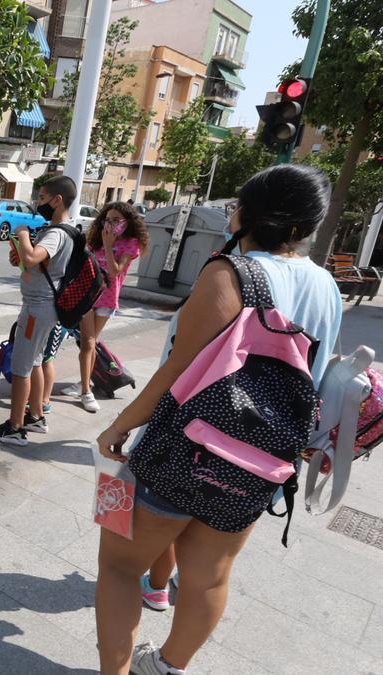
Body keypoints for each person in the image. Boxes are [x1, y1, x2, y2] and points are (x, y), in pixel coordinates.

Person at [93, 164, 342, 675]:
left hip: (181, 452)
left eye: (236, 206)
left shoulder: (230, 272)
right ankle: (166, 668)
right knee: (209, 577)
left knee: (119, 569)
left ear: (248, 215)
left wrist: (119, 425)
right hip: (262, 464)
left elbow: (176, 370)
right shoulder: (327, 288)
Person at [0, 175, 76, 445]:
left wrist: (22, 234)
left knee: (22, 366)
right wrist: (20, 256)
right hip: (43, 306)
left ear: (57, 200)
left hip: (38, 309)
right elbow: (34, 263)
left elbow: (33, 257)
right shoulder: (63, 231)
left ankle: (15, 427)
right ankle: (35, 416)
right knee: (35, 362)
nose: (39, 203)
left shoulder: (57, 232)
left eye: (43, 198)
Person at [75, 202, 149, 413]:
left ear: (127, 222)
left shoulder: (131, 243)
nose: (111, 224)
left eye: (116, 220)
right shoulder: (96, 238)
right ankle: (85, 389)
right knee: (87, 343)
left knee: (91, 344)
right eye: (107, 219)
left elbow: (116, 271)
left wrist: (109, 244)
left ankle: (84, 383)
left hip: (107, 298)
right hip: (88, 294)